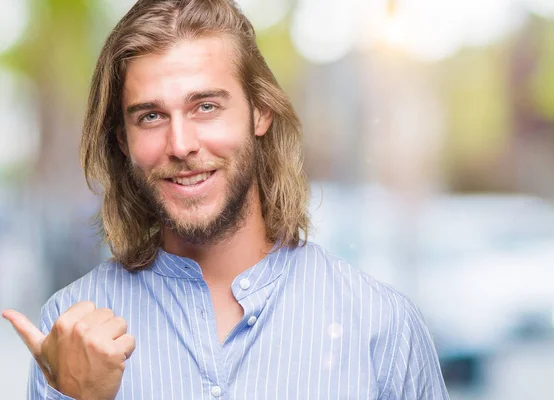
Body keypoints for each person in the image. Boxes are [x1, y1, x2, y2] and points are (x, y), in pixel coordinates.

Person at [2, 0, 450, 398]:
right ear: (123, 141)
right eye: (151, 116)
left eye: (206, 106)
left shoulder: (380, 324)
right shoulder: (71, 330)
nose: (180, 144)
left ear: (261, 112)